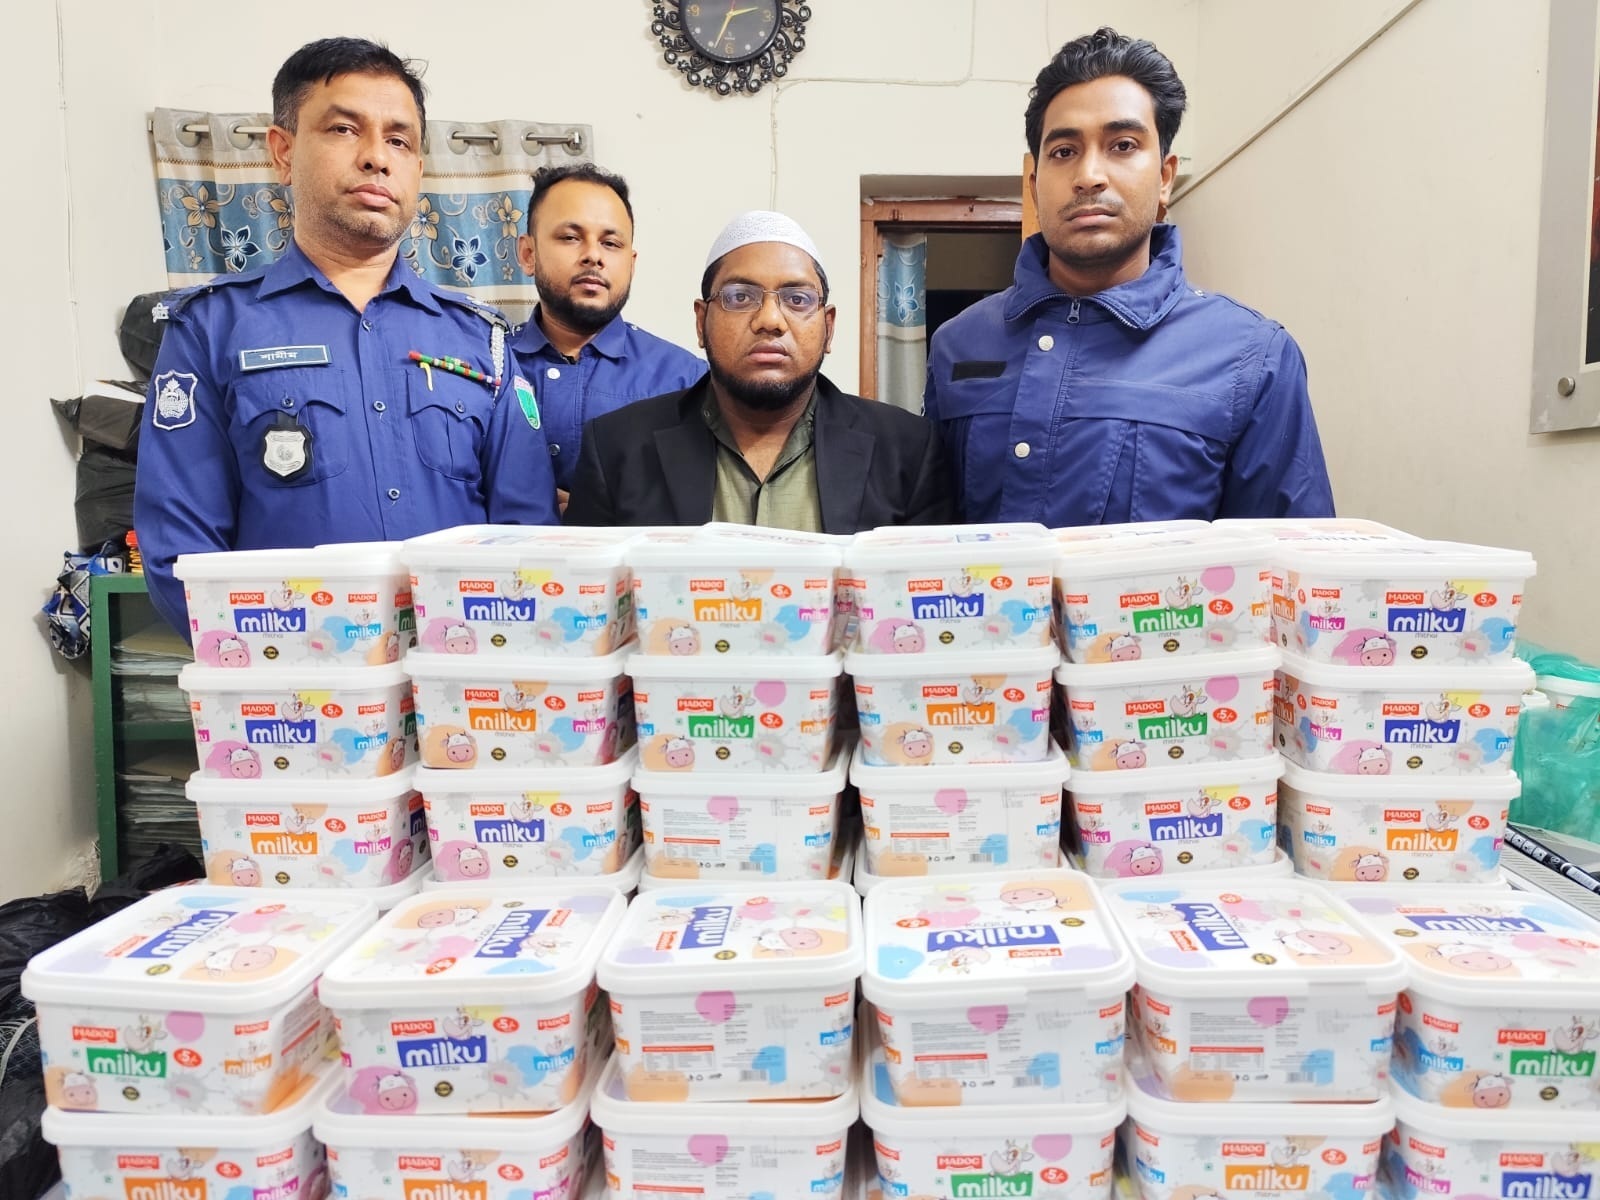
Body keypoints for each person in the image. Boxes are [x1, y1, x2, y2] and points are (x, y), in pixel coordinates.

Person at [134, 37, 557, 636]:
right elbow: (181, 555)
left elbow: (528, 540)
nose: (376, 158)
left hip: (461, 672)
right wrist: (289, 663)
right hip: (291, 683)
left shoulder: (479, 339)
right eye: (343, 129)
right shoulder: (211, 328)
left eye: (399, 140)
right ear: (283, 152)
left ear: (418, 168)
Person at [923, 27, 1334, 527]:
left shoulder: (1253, 357)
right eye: (1064, 151)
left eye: (1122, 145)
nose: (1088, 176)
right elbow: (928, 541)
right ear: (1033, 185)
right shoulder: (958, 343)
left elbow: (1288, 563)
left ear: (1165, 177)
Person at [564, 211, 952, 532]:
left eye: (797, 299)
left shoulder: (907, 452)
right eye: (739, 297)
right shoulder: (617, 447)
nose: (770, 320)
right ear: (701, 322)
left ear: (828, 327)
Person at [510, 163, 704, 506]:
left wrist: (599, 514)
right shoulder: (487, 367)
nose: (593, 256)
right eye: (570, 238)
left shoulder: (688, 382)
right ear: (528, 254)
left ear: (631, 263)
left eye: (611, 243)